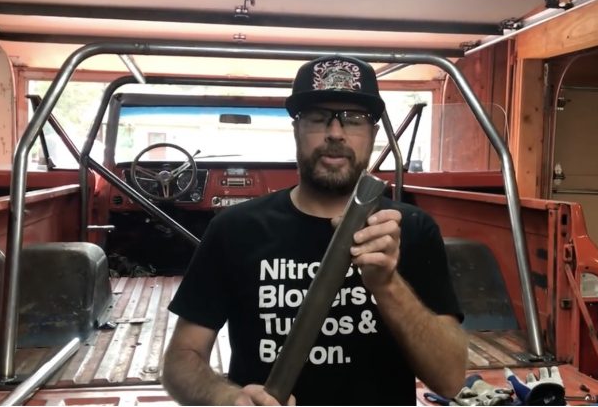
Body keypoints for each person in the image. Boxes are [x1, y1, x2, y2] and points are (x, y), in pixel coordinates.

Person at [162, 55, 468, 406]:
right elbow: (181, 360)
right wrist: (226, 399)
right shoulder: (234, 229)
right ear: (296, 130)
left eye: (354, 119)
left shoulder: (411, 229)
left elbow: (449, 379)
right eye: (318, 118)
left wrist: (387, 285)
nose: (335, 133)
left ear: (373, 135)